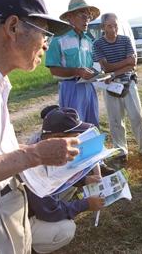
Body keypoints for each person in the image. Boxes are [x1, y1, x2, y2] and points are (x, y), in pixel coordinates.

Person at [0, 0, 80, 253]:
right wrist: (34, 155)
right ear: (13, 27)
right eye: (45, 33)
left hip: (9, 204)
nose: (47, 44)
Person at [45, 0, 115, 176]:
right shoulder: (58, 40)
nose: (87, 20)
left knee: (92, 125)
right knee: (74, 128)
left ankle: (97, 163)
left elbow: (89, 67)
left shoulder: (88, 41)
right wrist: (76, 70)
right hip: (70, 88)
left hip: (88, 88)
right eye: (83, 16)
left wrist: (98, 76)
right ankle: (77, 170)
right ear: (70, 17)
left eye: (89, 17)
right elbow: (54, 70)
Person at [26, 106, 106, 253]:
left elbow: (63, 175)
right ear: (55, 137)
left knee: (71, 183)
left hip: (37, 203)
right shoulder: (37, 164)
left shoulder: (44, 146)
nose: (78, 141)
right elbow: (49, 211)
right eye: (74, 137)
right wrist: (85, 205)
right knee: (66, 229)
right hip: (25, 216)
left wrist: (84, 180)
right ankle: (28, 246)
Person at [93, 13, 142, 162]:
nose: (113, 29)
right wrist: (122, 65)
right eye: (109, 26)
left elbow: (133, 63)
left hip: (128, 82)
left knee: (137, 116)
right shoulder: (98, 44)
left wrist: (114, 71)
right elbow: (105, 66)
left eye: (115, 26)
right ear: (102, 27)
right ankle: (120, 151)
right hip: (110, 86)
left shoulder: (125, 40)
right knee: (115, 120)